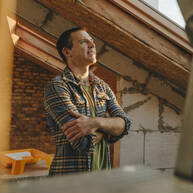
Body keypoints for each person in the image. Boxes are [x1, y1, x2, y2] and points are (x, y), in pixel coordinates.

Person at [44, 27, 131, 176]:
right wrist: (110, 126)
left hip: (102, 181)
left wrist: (96, 123)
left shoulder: (102, 86)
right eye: (84, 42)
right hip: (70, 183)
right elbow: (83, 143)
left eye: (92, 41)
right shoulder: (57, 86)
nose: (92, 45)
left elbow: (125, 125)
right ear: (67, 52)